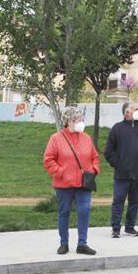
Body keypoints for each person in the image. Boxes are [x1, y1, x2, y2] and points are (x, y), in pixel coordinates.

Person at [44, 106, 100, 255]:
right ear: (69, 121)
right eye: (78, 119)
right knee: (64, 212)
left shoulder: (86, 138)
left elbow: (95, 157)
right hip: (64, 184)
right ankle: (64, 243)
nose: (81, 122)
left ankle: (82, 244)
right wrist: (61, 172)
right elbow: (49, 160)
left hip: (84, 184)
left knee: (84, 211)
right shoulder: (56, 138)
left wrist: (94, 170)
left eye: (82, 118)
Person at [105, 102, 138, 238]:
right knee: (118, 201)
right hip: (122, 174)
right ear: (127, 112)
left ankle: (130, 227)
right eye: (136, 109)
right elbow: (109, 151)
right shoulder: (117, 128)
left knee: (134, 202)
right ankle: (115, 228)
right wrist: (118, 164)